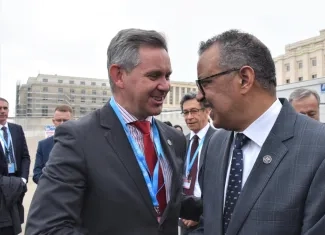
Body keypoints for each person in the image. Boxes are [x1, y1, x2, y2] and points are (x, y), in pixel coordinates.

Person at [190, 29, 325, 235]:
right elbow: (210, 225)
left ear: (244, 79)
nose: (198, 96)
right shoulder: (215, 144)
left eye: (205, 83)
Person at [26, 28, 187, 235]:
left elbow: (160, 202)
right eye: (154, 75)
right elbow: (46, 228)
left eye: (167, 76)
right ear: (119, 76)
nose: (166, 86)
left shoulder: (174, 139)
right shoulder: (78, 139)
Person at [179, 92, 216, 235]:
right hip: (183, 218)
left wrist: (199, 214)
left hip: (206, 219)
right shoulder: (181, 141)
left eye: (194, 111)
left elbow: (218, 186)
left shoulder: (220, 140)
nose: (189, 117)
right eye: (186, 112)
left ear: (207, 111)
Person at [0, 97, 30, 235]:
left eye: (5, 108)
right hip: (1, 184)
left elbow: (25, 157)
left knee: (15, 222)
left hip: (17, 184)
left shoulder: (17, 129)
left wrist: (23, 179)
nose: (2, 111)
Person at [33, 105, 73, 184]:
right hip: (50, 193)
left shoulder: (81, 143)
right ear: (53, 121)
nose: (62, 123)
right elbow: (37, 175)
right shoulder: (43, 145)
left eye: (65, 120)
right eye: (59, 120)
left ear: (72, 121)